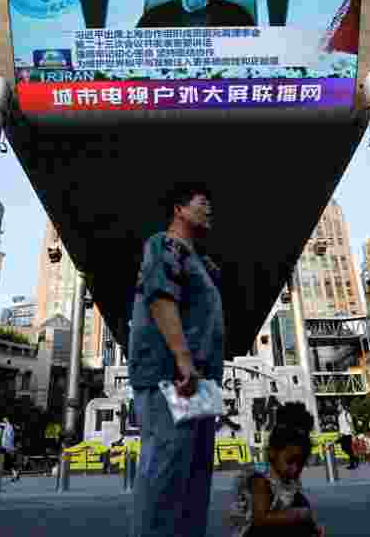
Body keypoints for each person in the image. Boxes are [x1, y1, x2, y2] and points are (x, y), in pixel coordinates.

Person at [129, 182, 223, 537]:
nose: (209, 208)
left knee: (194, 478)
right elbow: (159, 296)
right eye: (203, 202)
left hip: (200, 381)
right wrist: (183, 360)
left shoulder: (200, 262)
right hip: (172, 376)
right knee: (166, 476)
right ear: (179, 209)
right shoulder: (164, 244)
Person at [229, 402, 326, 537]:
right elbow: (260, 519)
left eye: (301, 463)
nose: (295, 469)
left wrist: (312, 527)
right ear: (272, 453)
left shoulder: (287, 480)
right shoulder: (260, 480)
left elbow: (296, 503)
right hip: (252, 532)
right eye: (290, 461)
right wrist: (299, 515)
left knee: (300, 502)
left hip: (273, 528)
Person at [1, 416, 20, 482]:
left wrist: (8, 447)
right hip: (7, 447)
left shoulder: (9, 427)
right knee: (9, 462)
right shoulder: (6, 427)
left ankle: (15, 473)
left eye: (4, 418)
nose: (3, 419)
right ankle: (15, 474)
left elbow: (9, 437)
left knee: (9, 462)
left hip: (8, 447)